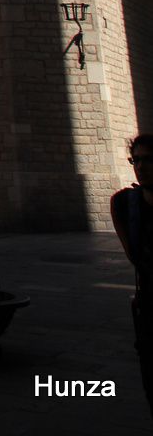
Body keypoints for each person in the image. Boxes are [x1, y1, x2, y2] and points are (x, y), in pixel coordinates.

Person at [111, 132, 153, 418]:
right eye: (136, 160)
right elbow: (134, 255)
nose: (141, 166)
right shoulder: (125, 205)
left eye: (149, 160)